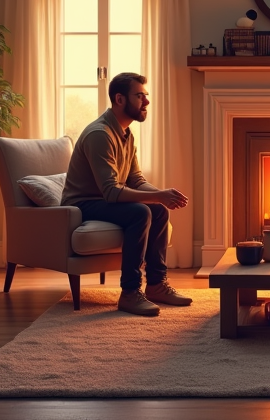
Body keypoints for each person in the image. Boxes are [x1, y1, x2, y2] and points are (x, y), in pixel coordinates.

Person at [61, 72, 191, 317]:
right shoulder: (100, 134)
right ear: (120, 99)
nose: (147, 102)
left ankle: (156, 285)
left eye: (146, 95)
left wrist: (163, 195)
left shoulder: (126, 134)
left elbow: (137, 181)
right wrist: (158, 196)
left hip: (103, 199)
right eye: (139, 96)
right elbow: (110, 192)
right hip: (82, 204)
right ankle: (130, 293)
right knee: (139, 212)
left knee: (159, 210)